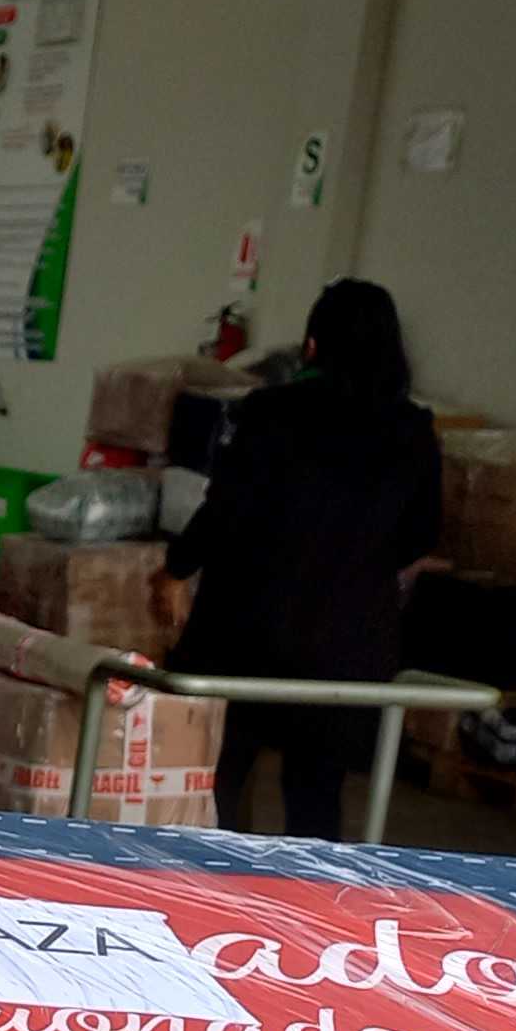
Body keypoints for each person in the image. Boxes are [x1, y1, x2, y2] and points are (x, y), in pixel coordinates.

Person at [163, 278, 442, 837]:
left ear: (313, 344)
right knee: (316, 796)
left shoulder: (272, 413)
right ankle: (304, 892)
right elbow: (421, 534)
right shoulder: (413, 431)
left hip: (247, 635)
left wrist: (175, 570)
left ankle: (202, 882)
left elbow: (225, 510)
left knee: (214, 781)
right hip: (346, 648)